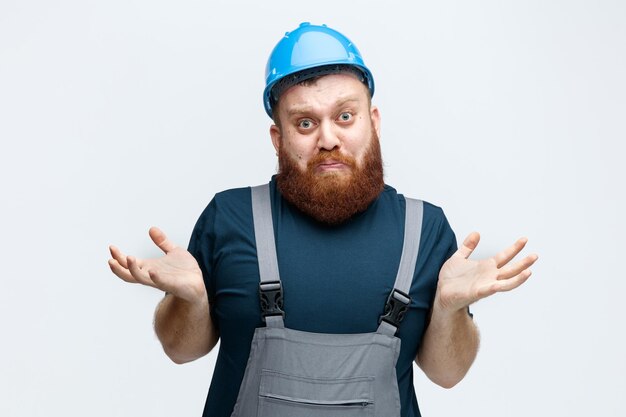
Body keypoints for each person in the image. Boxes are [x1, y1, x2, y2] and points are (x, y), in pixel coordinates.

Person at [108, 22, 538, 417]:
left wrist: (450, 309)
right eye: (306, 122)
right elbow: (181, 350)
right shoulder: (230, 218)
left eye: (344, 116)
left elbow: (448, 374)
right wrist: (191, 300)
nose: (328, 138)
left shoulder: (423, 230)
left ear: (373, 122)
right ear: (278, 136)